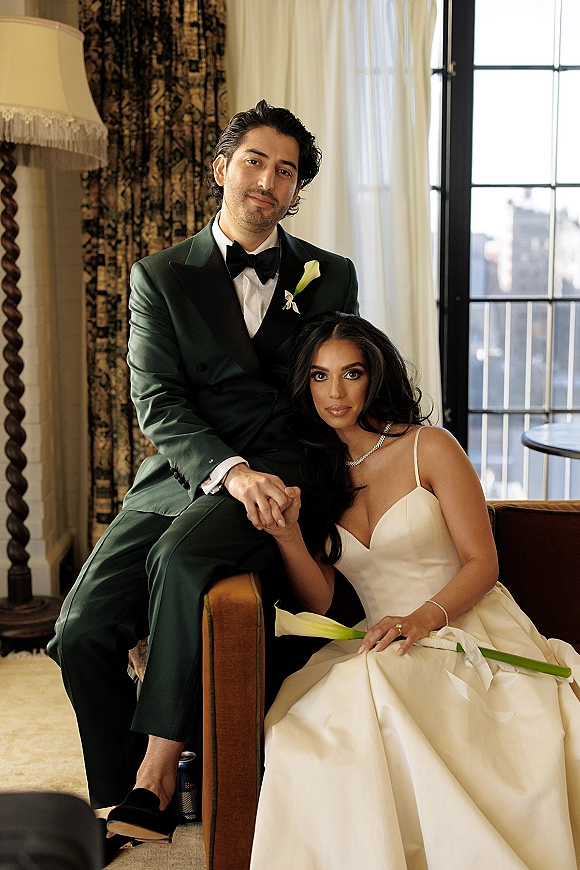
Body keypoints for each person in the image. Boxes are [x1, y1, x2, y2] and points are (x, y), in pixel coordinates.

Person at [46, 101, 358, 859]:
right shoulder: (158, 275)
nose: (268, 180)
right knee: (78, 633)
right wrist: (227, 468)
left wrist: (296, 475)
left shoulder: (329, 275)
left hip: (281, 472)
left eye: (285, 171)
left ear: (294, 192)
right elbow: (158, 399)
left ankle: (154, 781)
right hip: (184, 472)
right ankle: (118, 787)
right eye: (254, 160)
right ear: (221, 168)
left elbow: (336, 387)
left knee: (182, 561)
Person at [249, 312, 580, 870]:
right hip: (380, 639)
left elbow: (483, 563)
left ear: (374, 376)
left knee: (383, 691)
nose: (335, 391)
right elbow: (323, 599)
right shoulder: (317, 468)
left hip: (464, 624)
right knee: (313, 723)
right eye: (319, 376)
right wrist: (287, 537)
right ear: (303, 384)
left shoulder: (431, 446)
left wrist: (424, 619)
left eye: (350, 373)